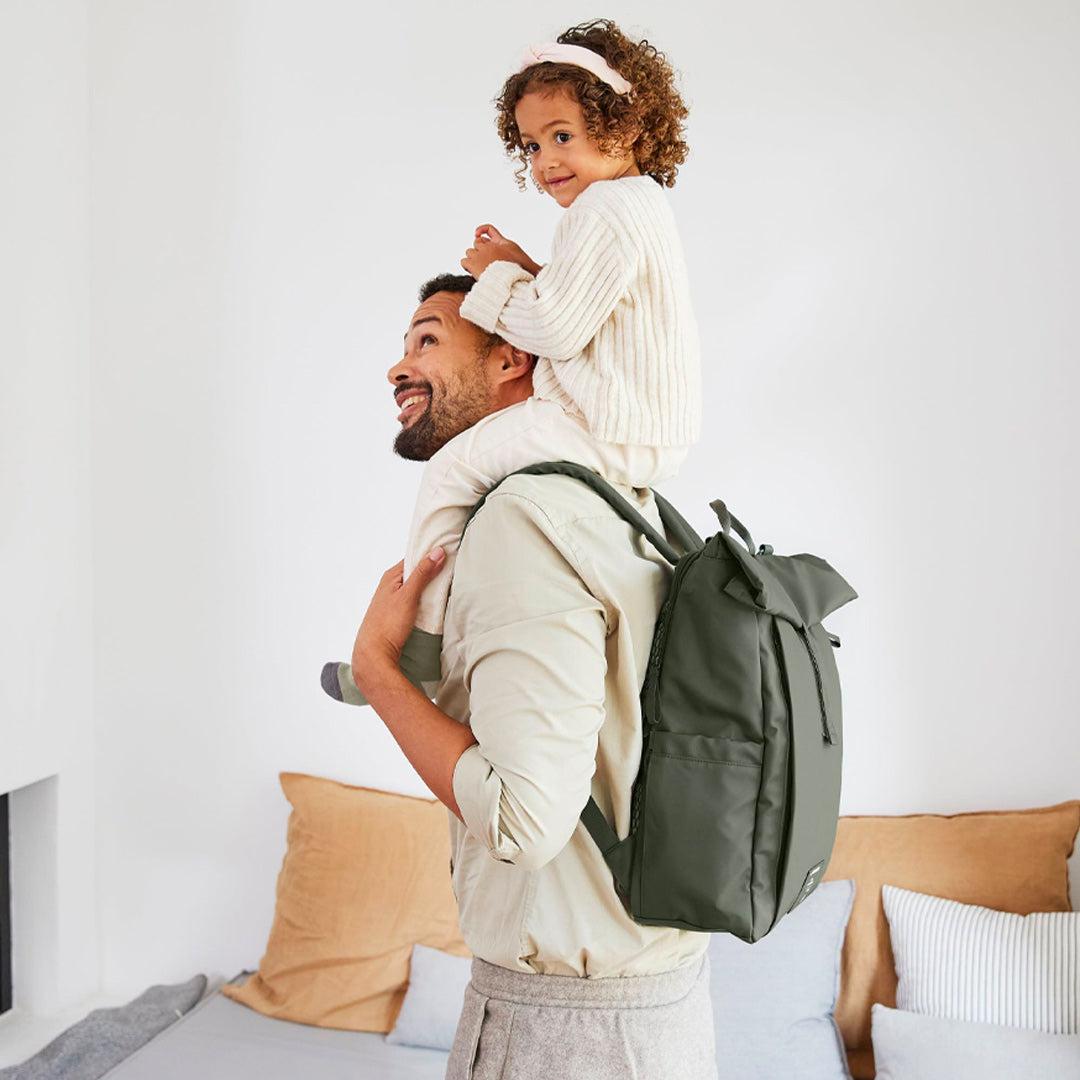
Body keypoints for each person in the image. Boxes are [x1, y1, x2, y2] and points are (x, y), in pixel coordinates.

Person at [349, 269, 717, 1079]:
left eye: (428, 340)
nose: (399, 366)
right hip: (656, 1009)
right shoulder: (627, 502)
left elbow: (524, 820)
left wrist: (376, 670)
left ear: (512, 358)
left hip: (565, 1033)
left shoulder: (520, 519)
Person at [345, 18, 703, 707]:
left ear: (626, 126)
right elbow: (585, 306)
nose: (544, 162)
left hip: (601, 422)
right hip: (640, 429)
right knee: (473, 470)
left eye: (562, 136)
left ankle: (417, 644)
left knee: (451, 469)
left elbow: (555, 329)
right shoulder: (637, 207)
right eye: (533, 145)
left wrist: (494, 277)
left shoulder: (601, 211)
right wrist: (524, 265)